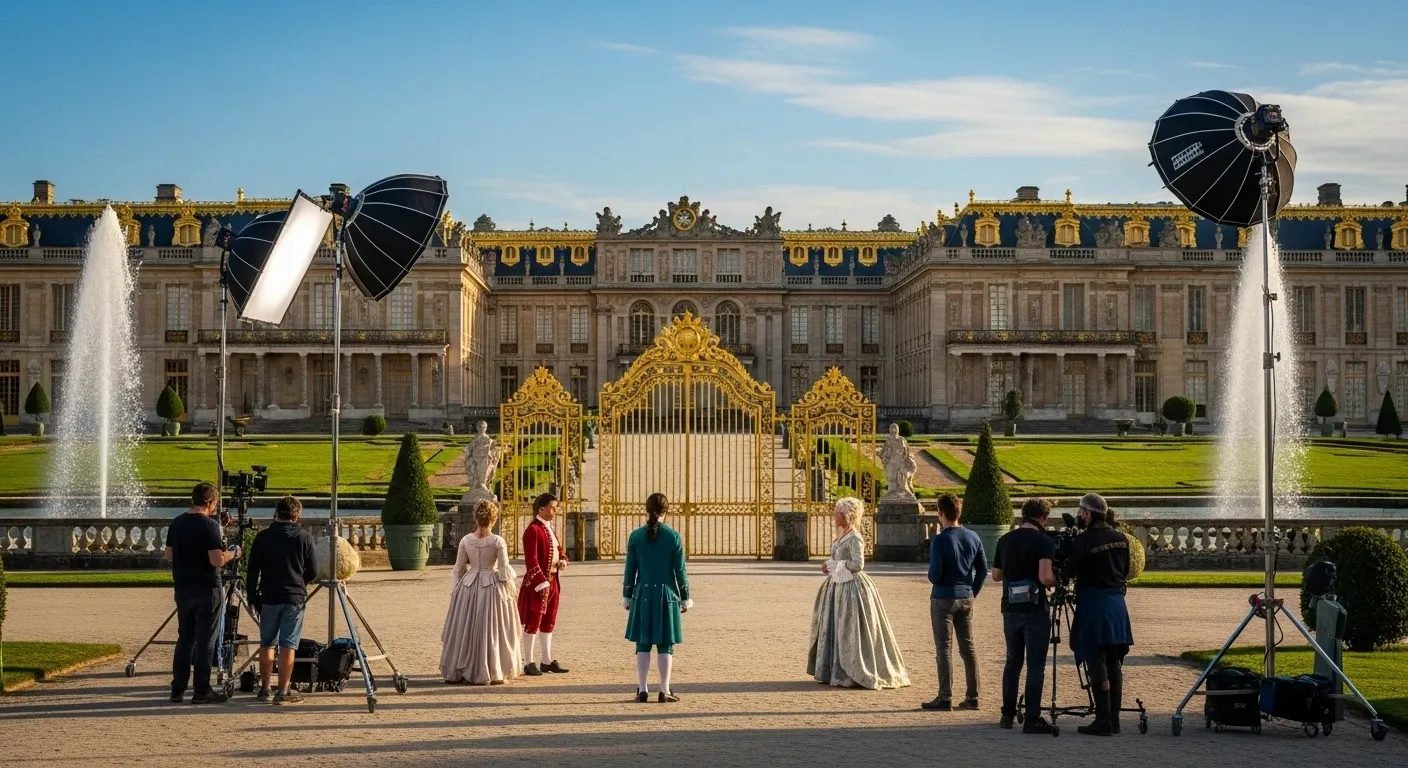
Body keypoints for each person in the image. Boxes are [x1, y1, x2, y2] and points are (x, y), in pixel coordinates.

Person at [807, 497, 910, 690]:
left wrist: (834, 565)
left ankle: (853, 671)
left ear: (847, 515)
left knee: (851, 630)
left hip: (852, 589)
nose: (834, 515)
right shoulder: (842, 535)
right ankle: (835, 670)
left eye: (837, 511)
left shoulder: (855, 537)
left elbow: (858, 564)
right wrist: (829, 565)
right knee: (836, 627)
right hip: (837, 586)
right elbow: (839, 559)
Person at [1063, 492, 1133, 737]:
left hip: (1094, 604)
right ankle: (1113, 719)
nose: (1079, 515)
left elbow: (1069, 572)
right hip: (1116, 604)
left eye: (1082, 511)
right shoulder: (1121, 538)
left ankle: (1102, 719)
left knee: (1096, 662)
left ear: (1090, 514)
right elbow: (1125, 571)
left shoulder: (1084, 541)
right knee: (1114, 663)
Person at [163, 482, 238, 704]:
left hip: (183, 587)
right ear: (211, 502)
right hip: (207, 587)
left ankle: (177, 688)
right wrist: (233, 553)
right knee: (206, 640)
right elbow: (216, 560)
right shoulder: (210, 526)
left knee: (185, 638)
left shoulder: (176, 523)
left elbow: (168, 554)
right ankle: (202, 689)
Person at [991, 498, 1058, 734]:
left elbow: (996, 576)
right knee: (1035, 665)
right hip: (1035, 609)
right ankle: (1031, 718)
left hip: (1010, 608)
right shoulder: (1044, 541)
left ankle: (1007, 715)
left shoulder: (1005, 540)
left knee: (1012, 662)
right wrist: (1055, 582)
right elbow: (1044, 576)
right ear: (1043, 518)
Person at [246, 495, 317, 705]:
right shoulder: (304, 537)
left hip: (269, 595)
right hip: (294, 596)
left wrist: (252, 595)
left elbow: (252, 571)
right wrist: (299, 581)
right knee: (288, 645)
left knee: (267, 643)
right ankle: (283, 691)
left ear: (277, 513)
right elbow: (312, 571)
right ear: (297, 515)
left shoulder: (263, 537)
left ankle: (265, 688)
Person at [442, 500, 521, 685]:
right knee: (492, 628)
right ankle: (491, 669)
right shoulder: (497, 541)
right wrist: (510, 591)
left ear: (476, 518)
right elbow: (503, 570)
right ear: (494, 518)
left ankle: (463, 667)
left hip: (469, 585)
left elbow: (459, 569)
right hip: (491, 586)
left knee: (465, 627)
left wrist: (457, 591)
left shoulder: (466, 540)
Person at [623, 493, 691, 703]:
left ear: (647, 509)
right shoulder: (673, 536)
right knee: (665, 644)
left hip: (642, 593)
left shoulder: (635, 536)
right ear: (666, 510)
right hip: (667, 595)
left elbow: (630, 569)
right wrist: (685, 596)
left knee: (643, 644)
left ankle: (642, 689)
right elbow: (680, 570)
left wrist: (627, 593)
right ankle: (664, 689)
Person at [922, 493, 987, 711]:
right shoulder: (973, 537)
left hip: (943, 597)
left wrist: (933, 577)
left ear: (941, 513)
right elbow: (983, 569)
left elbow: (935, 574)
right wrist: (972, 591)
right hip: (965, 596)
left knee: (944, 649)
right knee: (968, 648)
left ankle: (945, 697)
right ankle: (973, 696)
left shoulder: (940, 539)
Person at [517, 492, 569, 676]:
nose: (555, 510)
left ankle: (546, 661)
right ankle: (528, 661)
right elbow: (531, 562)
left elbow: (559, 550)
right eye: (553, 507)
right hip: (538, 585)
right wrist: (541, 583)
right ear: (541, 509)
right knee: (533, 621)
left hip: (553, 581)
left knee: (549, 621)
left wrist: (562, 559)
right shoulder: (532, 530)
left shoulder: (549, 528)